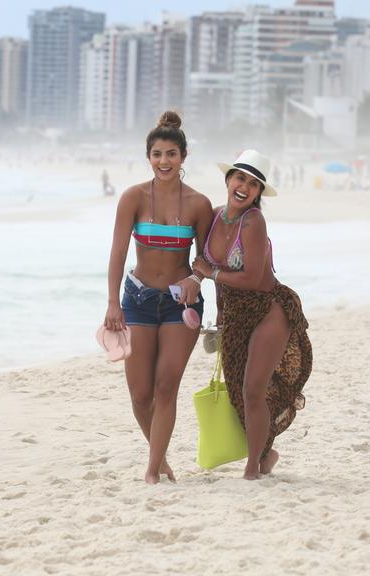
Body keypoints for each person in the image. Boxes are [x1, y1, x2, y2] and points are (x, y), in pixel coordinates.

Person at [104, 111, 213, 484]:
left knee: (167, 387)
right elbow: (118, 253)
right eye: (157, 154)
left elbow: (207, 257)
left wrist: (196, 278)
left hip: (180, 305)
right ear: (148, 157)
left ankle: (152, 470)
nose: (164, 161)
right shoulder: (133, 197)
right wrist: (112, 304)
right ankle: (161, 457)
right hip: (136, 300)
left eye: (171, 154)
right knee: (139, 395)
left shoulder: (199, 204)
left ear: (183, 157)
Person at [193, 149, 312, 480]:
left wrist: (210, 273)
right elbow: (211, 273)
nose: (244, 186)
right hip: (234, 313)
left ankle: (251, 471)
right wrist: (218, 318)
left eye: (254, 183)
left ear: (259, 193)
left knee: (253, 390)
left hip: (268, 309)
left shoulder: (255, 221)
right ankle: (265, 455)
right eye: (240, 178)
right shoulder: (214, 218)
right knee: (236, 392)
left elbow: (252, 279)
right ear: (228, 180)